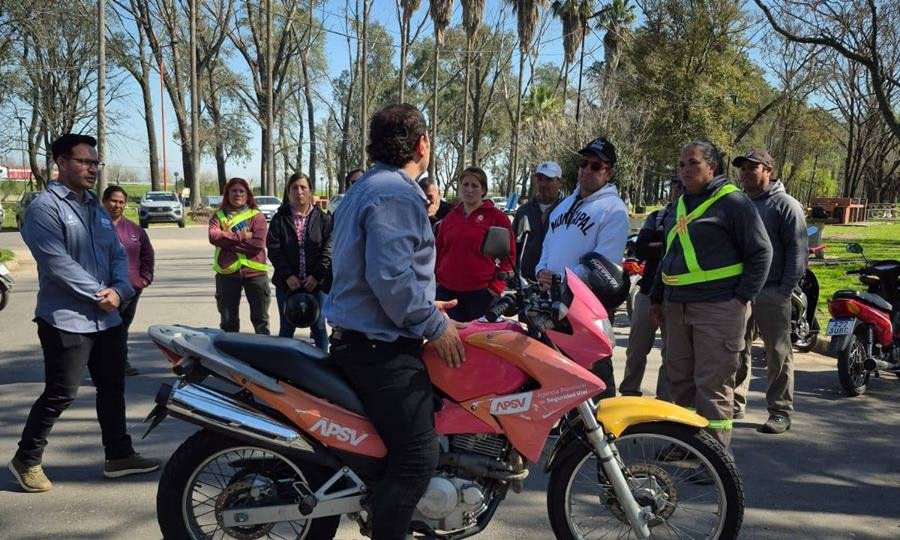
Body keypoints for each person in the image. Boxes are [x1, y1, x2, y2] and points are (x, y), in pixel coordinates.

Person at [324, 103, 466, 539]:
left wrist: (424, 304)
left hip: (365, 337)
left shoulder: (366, 186)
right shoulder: (398, 192)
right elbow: (389, 276)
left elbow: (380, 272)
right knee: (417, 459)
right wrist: (432, 323)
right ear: (422, 145)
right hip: (379, 349)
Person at [10, 133, 159, 493]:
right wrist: (99, 294)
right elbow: (55, 262)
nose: (92, 168)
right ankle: (26, 458)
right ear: (60, 163)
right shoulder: (45, 208)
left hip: (107, 316)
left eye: (95, 163)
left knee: (112, 386)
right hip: (65, 319)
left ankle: (119, 455)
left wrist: (121, 290)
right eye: (84, 161)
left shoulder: (96, 207)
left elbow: (117, 255)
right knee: (61, 392)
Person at [649, 140, 772, 450]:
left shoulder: (734, 203)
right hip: (676, 306)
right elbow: (669, 254)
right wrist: (656, 297)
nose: (685, 170)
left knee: (712, 385)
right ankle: (686, 446)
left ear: (711, 167)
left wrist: (740, 298)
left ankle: (715, 456)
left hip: (719, 307)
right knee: (680, 381)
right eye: (681, 165)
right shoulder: (680, 204)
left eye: (692, 163)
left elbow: (761, 252)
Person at [535, 137, 629, 398]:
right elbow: (548, 247)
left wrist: (560, 278)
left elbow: (604, 262)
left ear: (608, 172)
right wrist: (541, 272)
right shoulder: (563, 206)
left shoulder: (614, 210)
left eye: (595, 166)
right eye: (583, 163)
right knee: (560, 377)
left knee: (595, 377)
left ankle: (603, 433)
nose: (587, 170)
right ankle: (570, 433)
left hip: (588, 307)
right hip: (554, 303)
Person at [733, 149, 807, 434]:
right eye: (743, 168)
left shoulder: (786, 205)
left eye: (753, 167)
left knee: (777, 354)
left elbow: (798, 251)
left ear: (768, 170)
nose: (746, 173)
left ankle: (780, 411)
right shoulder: (740, 204)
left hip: (774, 291)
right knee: (737, 350)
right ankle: (736, 403)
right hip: (742, 291)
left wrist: (785, 289)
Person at [620, 176, 683, 398]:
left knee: (671, 354)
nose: (678, 188)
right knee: (636, 348)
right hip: (647, 292)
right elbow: (642, 249)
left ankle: (663, 400)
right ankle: (629, 392)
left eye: (682, 185)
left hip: (677, 296)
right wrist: (669, 243)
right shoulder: (657, 217)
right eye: (675, 183)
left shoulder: (694, 219)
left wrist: (662, 245)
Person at [435, 166, 516, 321]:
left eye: (475, 185)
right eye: (465, 185)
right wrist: (437, 280)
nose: (469, 190)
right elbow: (438, 251)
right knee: (450, 343)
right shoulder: (450, 218)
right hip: (447, 293)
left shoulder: (497, 218)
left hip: (481, 295)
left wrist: (496, 288)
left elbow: (509, 258)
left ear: (483, 189)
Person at [267, 172, 332, 350]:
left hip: (316, 284)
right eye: (294, 188)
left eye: (303, 187)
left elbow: (329, 248)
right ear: (288, 193)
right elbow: (274, 249)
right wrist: (288, 276)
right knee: (287, 328)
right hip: (287, 284)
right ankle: (282, 370)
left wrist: (316, 276)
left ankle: (324, 369)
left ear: (311, 191)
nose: (299, 191)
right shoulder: (279, 219)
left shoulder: (323, 219)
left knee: (319, 328)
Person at [102, 185, 155, 376]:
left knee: (122, 326)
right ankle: (101, 366)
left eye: (121, 202)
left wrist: (144, 279)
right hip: (100, 290)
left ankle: (121, 363)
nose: (117, 205)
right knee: (103, 329)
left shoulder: (135, 230)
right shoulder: (92, 227)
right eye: (113, 201)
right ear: (104, 201)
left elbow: (147, 255)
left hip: (130, 289)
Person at [209, 177, 270, 334]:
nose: (237, 194)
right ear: (227, 194)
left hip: (255, 274)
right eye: (233, 190)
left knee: (261, 322)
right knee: (228, 323)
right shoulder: (219, 216)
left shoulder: (257, 217)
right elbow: (213, 237)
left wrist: (226, 240)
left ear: (248, 195)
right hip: (227, 274)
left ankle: (265, 357)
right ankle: (228, 357)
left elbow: (257, 245)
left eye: (241, 191)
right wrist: (241, 236)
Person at [512, 161, 565, 281]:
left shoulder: (568, 210)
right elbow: (513, 245)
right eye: (540, 179)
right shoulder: (523, 211)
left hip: (557, 281)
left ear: (560, 182)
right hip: (526, 281)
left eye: (549, 179)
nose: (543, 184)